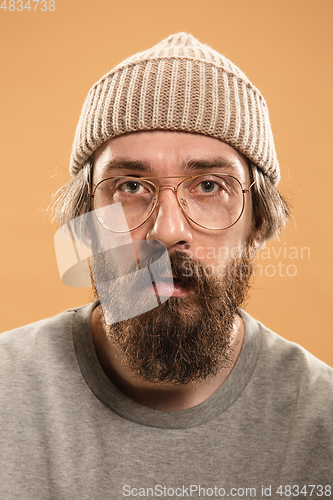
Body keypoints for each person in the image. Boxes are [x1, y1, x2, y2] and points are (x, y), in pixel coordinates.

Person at [0, 33, 332, 499]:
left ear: (258, 222)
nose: (166, 230)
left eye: (210, 186)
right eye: (131, 186)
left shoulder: (323, 422)